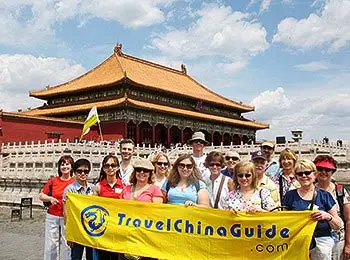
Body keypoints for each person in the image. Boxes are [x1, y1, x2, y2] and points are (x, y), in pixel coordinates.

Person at [282, 159, 343, 260]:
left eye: (307, 173)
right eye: (300, 174)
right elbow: (284, 222)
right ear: (296, 176)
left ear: (314, 174)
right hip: (298, 241)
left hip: (321, 241)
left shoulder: (325, 196)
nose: (304, 176)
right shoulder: (289, 196)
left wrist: (327, 217)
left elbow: (338, 226)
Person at [39, 155, 75, 260]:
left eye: (67, 164)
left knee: (67, 244)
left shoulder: (74, 182)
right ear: (59, 167)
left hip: (67, 217)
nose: (65, 167)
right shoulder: (53, 181)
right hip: (52, 216)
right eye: (62, 164)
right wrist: (50, 198)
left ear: (71, 167)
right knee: (51, 244)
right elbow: (41, 195)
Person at [63, 158, 95, 260]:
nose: (82, 173)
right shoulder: (69, 190)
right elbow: (66, 213)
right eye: (79, 171)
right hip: (76, 230)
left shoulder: (93, 188)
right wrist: (69, 234)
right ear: (74, 172)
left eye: (85, 171)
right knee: (76, 257)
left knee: (91, 257)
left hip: (90, 230)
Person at [93, 154, 124, 260]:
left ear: (118, 167)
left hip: (118, 226)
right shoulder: (98, 187)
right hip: (103, 226)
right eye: (107, 166)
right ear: (103, 168)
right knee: (103, 255)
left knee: (116, 256)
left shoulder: (124, 186)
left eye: (113, 165)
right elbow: (93, 206)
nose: (110, 168)